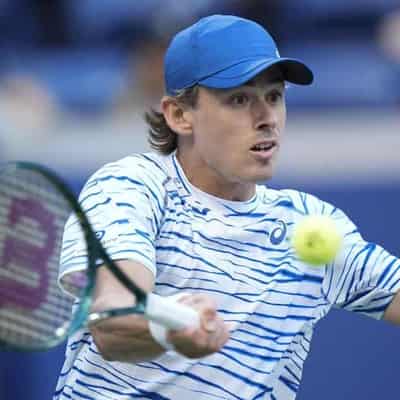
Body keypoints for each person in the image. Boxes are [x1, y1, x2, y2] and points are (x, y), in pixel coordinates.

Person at [54, 14, 400, 400]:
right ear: (179, 115)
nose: (266, 118)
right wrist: (167, 328)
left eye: (274, 96)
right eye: (239, 99)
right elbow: (112, 318)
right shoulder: (129, 186)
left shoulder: (311, 224)